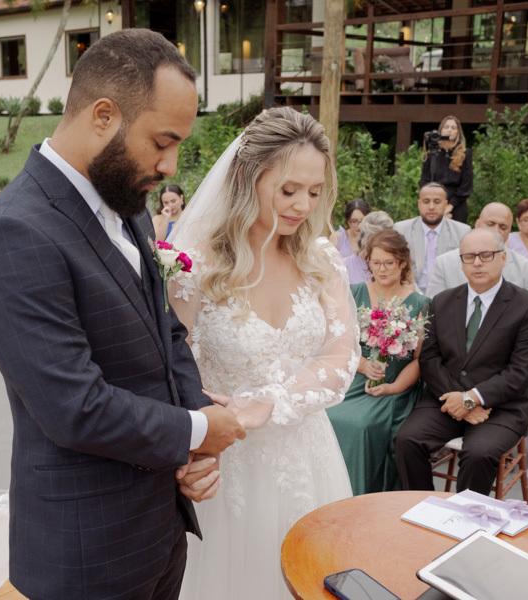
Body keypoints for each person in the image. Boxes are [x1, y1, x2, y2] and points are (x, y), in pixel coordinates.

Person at [0, 29, 245, 600]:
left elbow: (165, 330)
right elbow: (74, 407)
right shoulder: (12, 232)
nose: (170, 166)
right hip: (85, 552)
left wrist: (195, 439)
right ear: (103, 115)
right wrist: (198, 429)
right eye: (161, 142)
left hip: (161, 529)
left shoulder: (128, 205)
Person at [169, 107, 360, 600]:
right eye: (288, 189)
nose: (302, 205)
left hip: (308, 455)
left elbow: (342, 352)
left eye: (314, 192)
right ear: (247, 178)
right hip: (223, 464)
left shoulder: (321, 258)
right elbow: (168, 363)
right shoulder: (196, 265)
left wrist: (270, 403)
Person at [394, 228, 528, 495]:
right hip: (446, 396)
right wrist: (457, 400)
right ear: (461, 262)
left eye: (486, 255)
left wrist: (471, 399)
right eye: (469, 256)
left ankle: (465, 522)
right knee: (407, 440)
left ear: (503, 258)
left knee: (478, 453)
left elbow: (522, 371)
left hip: (503, 407)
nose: (477, 262)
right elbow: (429, 358)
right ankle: (421, 507)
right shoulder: (441, 302)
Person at [326, 229, 426, 496]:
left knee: (360, 424)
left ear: (402, 262)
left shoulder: (420, 303)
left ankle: (359, 496)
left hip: (394, 386)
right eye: (375, 262)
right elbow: (338, 343)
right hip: (354, 377)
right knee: (324, 415)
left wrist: (392, 388)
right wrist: (362, 366)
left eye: (389, 263)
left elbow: (419, 361)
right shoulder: (354, 292)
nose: (381, 269)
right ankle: (328, 493)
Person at [426, 202, 528, 298]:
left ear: (509, 230)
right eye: (490, 224)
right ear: (477, 224)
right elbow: (431, 313)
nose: (496, 230)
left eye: (503, 227)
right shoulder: (444, 263)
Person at [394, 182, 470, 293]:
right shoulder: (401, 230)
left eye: (437, 202)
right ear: (419, 204)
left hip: (448, 296)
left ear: (445, 205)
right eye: (426, 201)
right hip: (410, 293)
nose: (431, 207)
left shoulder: (462, 232)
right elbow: (398, 267)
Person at [419, 115, 473, 224]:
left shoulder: (465, 154)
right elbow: (424, 181)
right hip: (434, 202)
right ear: (440, 130)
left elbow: (466, 185)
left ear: (458, 132)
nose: (449, 130)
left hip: (457, 202)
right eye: (446, 127)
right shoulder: (432, 154)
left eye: (453, 128)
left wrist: (449, 206)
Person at [344, 210, 393, 285]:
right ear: (363, 240)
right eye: (374, 243)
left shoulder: (396, 266)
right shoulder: (345, 267)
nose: (380, 248)